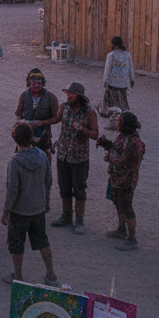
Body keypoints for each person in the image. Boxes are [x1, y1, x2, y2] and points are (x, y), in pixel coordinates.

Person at [1, 122, 58, 286]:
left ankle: (18, 277)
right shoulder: (41, 155)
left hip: (19, 211)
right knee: (42, 241)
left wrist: (5, 212)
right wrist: (46, 202)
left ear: (15, 139)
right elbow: (48, 180)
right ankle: (51, 275)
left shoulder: (15, 162)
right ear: (32, 137)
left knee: (16, 244)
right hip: (38, 208)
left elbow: (12, 191)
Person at [50, 82, 99, 235]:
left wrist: (83, 129)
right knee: (64, 187)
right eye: (67, 94)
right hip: (63, 154)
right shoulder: (64, 107)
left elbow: (96, 134)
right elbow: (56, 119)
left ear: (80, 97)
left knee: (79, 189)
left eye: (71, 94)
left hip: (79, 157)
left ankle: (79, 219)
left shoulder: (89, 112)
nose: (68, 96)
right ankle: (66, 215)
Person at [98, 111, 147, 251]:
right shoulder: (123, 137)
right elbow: (117, 149)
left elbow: (122, 159)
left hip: (126, 180)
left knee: (127, 207)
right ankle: (121, 229)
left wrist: (109, 156)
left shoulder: (134, 143)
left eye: (119, 122)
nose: (117, 124)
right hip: (117, 177)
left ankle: (132, 238)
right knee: (118, 202)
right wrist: (107, 144)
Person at [15, 68, 60, 156]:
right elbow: (18, 114)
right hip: (26, 134)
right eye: (33, 83)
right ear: (29, 84)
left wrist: (41, 123)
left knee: (44, 156)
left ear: (43, 84)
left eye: (39, 83)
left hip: (43, 136)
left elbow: (57, 118)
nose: (36, 85)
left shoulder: (51, 97)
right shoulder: (24, 96)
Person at [102, 36, 135, 114]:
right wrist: (131, 80)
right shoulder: (127, 55)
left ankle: (113, 118)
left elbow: (107, 70)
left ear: (114, 45)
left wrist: (105, 82)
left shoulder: (111, 55)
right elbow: (131, 69)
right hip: (124, 82)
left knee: (112, 103)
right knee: (122, 101)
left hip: (113, 83)